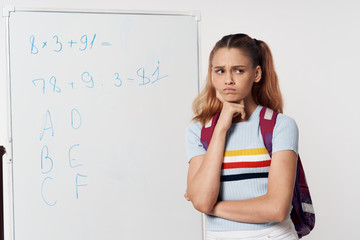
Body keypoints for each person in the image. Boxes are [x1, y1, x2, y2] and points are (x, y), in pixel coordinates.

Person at [185, 33, 299, 240]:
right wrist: (221, 129)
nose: (228, 79)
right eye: (219, 71)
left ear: (256, 74)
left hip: (272, 235)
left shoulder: (280, 126)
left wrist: (211, 207)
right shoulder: (199, 130)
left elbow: (277, 209)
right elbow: (201, 200)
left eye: (238, 70)